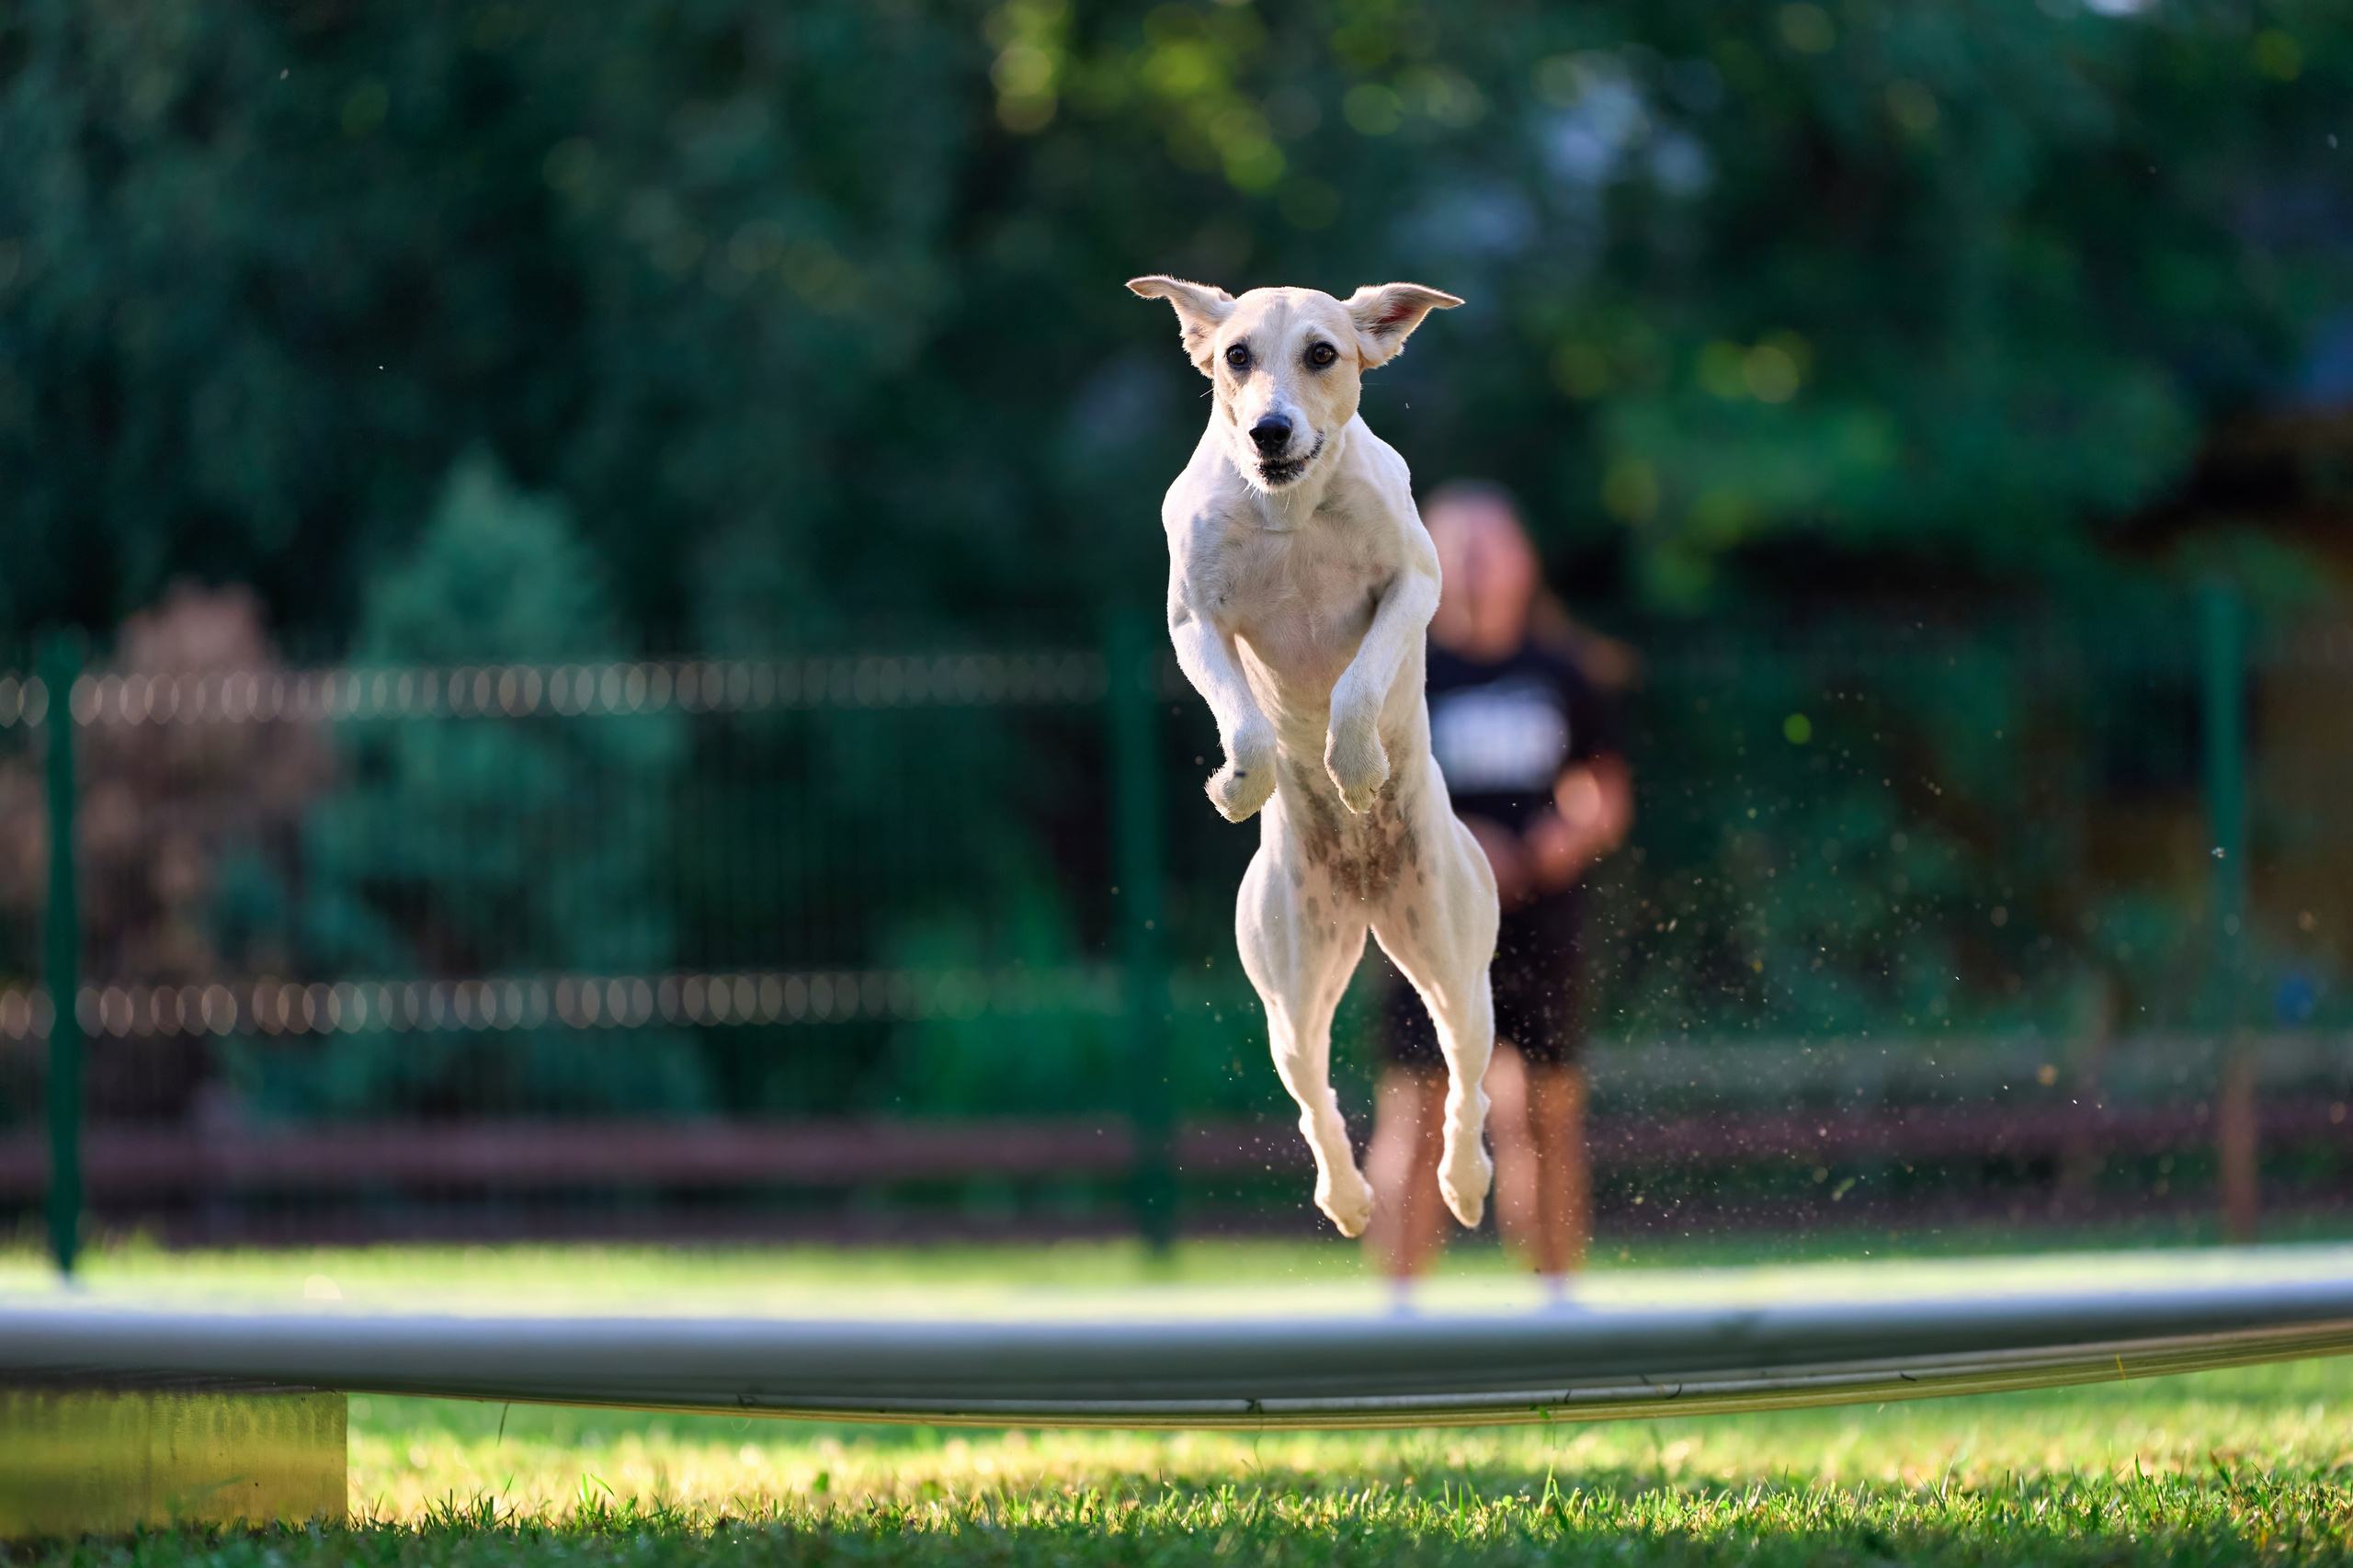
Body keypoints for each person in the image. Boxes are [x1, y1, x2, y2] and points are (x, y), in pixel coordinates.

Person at [1362, 481, 1634, 1301]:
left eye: (1494, 546)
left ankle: (1556, 1307)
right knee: (1421, 1112)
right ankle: (1399, 1310)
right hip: (1428, 925)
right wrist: (1451, 843)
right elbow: (1361, 799)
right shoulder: (1399, 671)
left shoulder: (1569, 670)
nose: (1478, 566)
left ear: (1526, 563)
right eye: (1460, 547)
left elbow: (1605, 789)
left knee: (1545, 1115)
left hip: (1542, 924)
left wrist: (1566, 835)